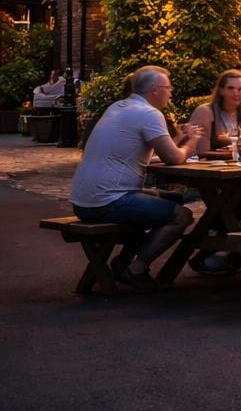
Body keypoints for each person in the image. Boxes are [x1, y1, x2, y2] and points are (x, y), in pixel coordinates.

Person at [69, 66, 204, 291]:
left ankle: (124, 262)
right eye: (168, 87)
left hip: (84, 199)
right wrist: (192, 141)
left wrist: (178, 139)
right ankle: (135, 268)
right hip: (109, 201)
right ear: (154, 90)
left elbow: (136, 153)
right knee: (181, 215)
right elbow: (172, 158)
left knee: (173, 198)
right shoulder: (149, 113)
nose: (170, 92)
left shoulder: (118, 107)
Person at [183, 70, 241, 157]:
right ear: (221, 90)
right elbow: (200, 151)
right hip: (211, 167)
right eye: (231, 88)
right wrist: (238, 151)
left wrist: (235, 147)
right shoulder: (205, 111)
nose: (236, 93)